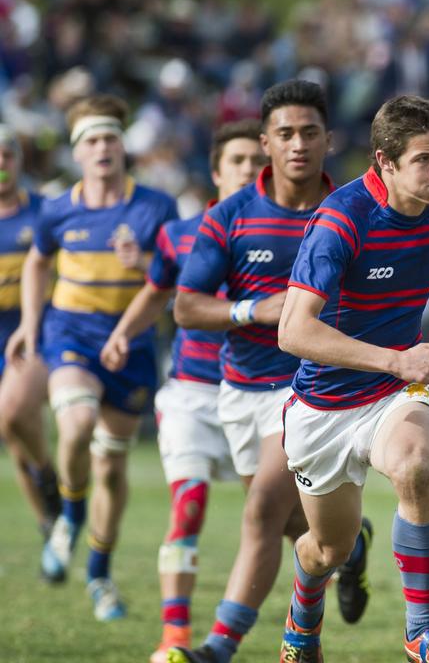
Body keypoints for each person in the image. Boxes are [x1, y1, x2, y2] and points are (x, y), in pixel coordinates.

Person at [277, 94, 429, 662]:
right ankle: (302, 624)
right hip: (323, 404)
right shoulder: (341, 221)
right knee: (327, 549)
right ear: (385, 161)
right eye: (425, 159)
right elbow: (293, 333)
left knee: (412, 464)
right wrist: (398, 359)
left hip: (397, 391)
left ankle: (422, 632)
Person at [167, 81, 372, 663]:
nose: (298, 144)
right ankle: (350, 551)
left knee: (260, 511)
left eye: (310, 132)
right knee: (289, 520)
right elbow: (186, 306)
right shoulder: (231, 216)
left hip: (315, 390)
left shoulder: (356, 210)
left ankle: (216, 648)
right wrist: (251, 310)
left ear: (329, 139)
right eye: (285, 133)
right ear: (266, 143)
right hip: (241, 391)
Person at [98, 119, 266, 660]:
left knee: (281, 520)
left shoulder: (292, 230)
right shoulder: (180, 234)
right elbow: (157, 290)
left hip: (264, 394)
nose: (247, 169)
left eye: (254, 161)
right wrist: (123, 334)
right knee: (188, 505)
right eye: (236, 160)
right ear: (216, 172)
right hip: (193, 391)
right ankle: (174, 639)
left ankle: (347, 542)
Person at [7, 94, 178, 620]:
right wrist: (32, 326)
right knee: (75, 424)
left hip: (130, 343)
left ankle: (99, 574)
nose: (102, 148)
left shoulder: (155, 206)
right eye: (91, 140)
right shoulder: (58, 208)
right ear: (78, 152)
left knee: (110, 464)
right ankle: (68, 517)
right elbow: (38, 264)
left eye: (110, 138)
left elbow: (178, 278)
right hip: (72, 334)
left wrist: (146, 259)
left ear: (122, 146)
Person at [0, 125, 59, 541]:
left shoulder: (43, 211)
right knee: (12, 438)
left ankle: (46, 470)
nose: (0, 163)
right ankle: (49, 522)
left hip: (31, 330)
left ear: (19, 161)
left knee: (14, 414)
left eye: (7, 154)